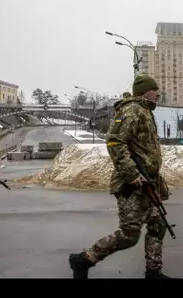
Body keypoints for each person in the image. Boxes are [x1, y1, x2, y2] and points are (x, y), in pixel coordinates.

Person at [69, 74, 171, 279]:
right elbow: (115, 142)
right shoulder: (132, 110)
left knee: (157, 224)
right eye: (155, 89)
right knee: (129, 235)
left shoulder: (145, 111)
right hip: (132, 183)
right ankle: (84, 259)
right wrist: (131, 173)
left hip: (147, 182)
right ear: (143, 91)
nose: (159, 93)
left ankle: (153, 272)